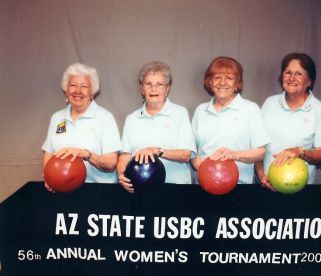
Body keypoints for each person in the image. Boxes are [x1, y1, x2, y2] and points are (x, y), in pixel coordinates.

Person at [255, 53, 321, 191]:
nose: (292, 78)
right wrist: (261, 175)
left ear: (309, 81)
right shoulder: (269, 103)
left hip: (299, 191)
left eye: (299, 74)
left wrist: (299, 151)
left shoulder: (319, 110)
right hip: (266, 187)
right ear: (282, 77)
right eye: (288, 73)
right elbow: (258, 148)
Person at [117, 61, 196, 192]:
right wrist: (121, 174)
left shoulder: (180, 113)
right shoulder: (131, 119)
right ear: (142, 89)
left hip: (176, 191)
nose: (153, 89)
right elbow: (125, 156)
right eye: (148, 84)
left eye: (159, 84)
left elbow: (186, 154)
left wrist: (157, 151)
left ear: (167, 89)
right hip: (140, 191)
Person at [42, 63, 121, 191]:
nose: (77, 91)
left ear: (92, 92)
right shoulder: (57, 118)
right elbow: (49, 154)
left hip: (98, 191)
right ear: (66, 90)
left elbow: (111, 163)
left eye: (84, 86)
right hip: (63, 191)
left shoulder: (105, 118)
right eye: (73, 85)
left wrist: (86, 154)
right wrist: (49, 178)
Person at [191, 56, 269, 184]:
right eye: (217, 77)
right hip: (204, 186)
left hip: (239, 187)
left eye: (229, 78)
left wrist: (233, 155)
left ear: (237, 84)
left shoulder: (251, 109)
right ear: (210, 82)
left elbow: (261, 152)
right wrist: (208, 173)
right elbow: (192, 152)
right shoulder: (200, 111)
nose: (222, 83)